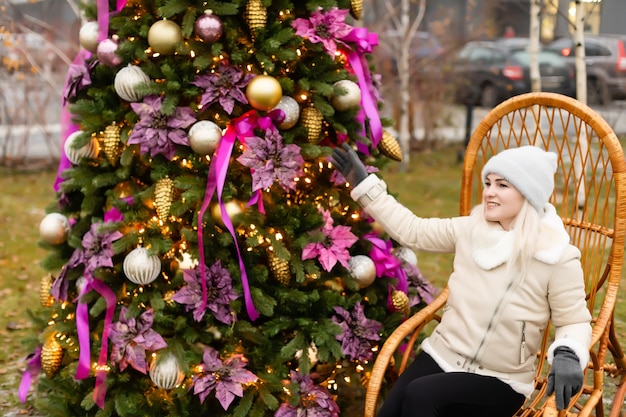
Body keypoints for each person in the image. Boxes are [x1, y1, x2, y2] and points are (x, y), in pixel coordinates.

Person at [331, 144, 592, 417]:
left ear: (528, 194)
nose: (489, 192)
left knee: (420, 395)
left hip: (500, 380)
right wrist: (367, 188)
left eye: (502, 185)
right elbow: (413, 231)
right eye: (488, 182)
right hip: (443, 355)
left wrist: (568, 353)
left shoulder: (555, 255)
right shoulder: (470, 229)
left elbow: (573, 320)